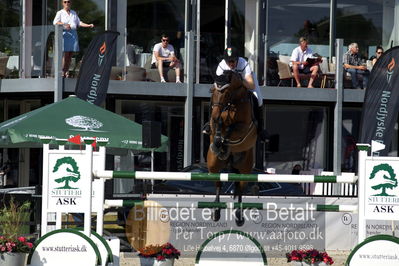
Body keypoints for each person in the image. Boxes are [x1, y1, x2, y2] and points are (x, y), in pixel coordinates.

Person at [203, 47, 268, 142]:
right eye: (228, 61)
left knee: (258, 99)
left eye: (233, 61)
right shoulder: (222, 65)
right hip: (229, 86)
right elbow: (219, 85)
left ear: (237, 59)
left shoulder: (243, 64)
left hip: (244, 82)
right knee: (215, 95)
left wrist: (238, 79)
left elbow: (251, 85)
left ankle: (260, 129)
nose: (231, 64)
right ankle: (209, 123)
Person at [53, 0, 94, 78]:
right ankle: (62, 72)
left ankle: (66, 71)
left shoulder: (73, 12)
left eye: (68, 2)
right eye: (65, 2)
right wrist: (64, 24)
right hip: (65, 35)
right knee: (65, 54)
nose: (67, 3)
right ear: (62, 3)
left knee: (70, 54)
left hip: (73, 34)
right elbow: (55, 22)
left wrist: (88, 25)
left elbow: (79, 23)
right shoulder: (60, 13)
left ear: (70, 3)